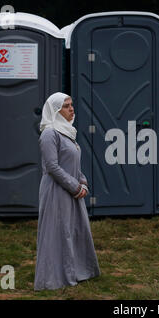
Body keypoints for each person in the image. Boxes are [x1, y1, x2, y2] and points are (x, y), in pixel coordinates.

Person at [34, 92, 100, 291]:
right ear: (55, 111)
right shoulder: (49, 134)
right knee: (57, 231)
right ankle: (52, 277)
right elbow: (52, 167)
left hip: (71, 189)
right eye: (66, 106)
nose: (71, 109)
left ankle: (78, 271)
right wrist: (75, 186)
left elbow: (73, 164)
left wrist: (83, 182)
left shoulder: (67, 132)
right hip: (56, 191)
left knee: (74, 230)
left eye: (71, 105)